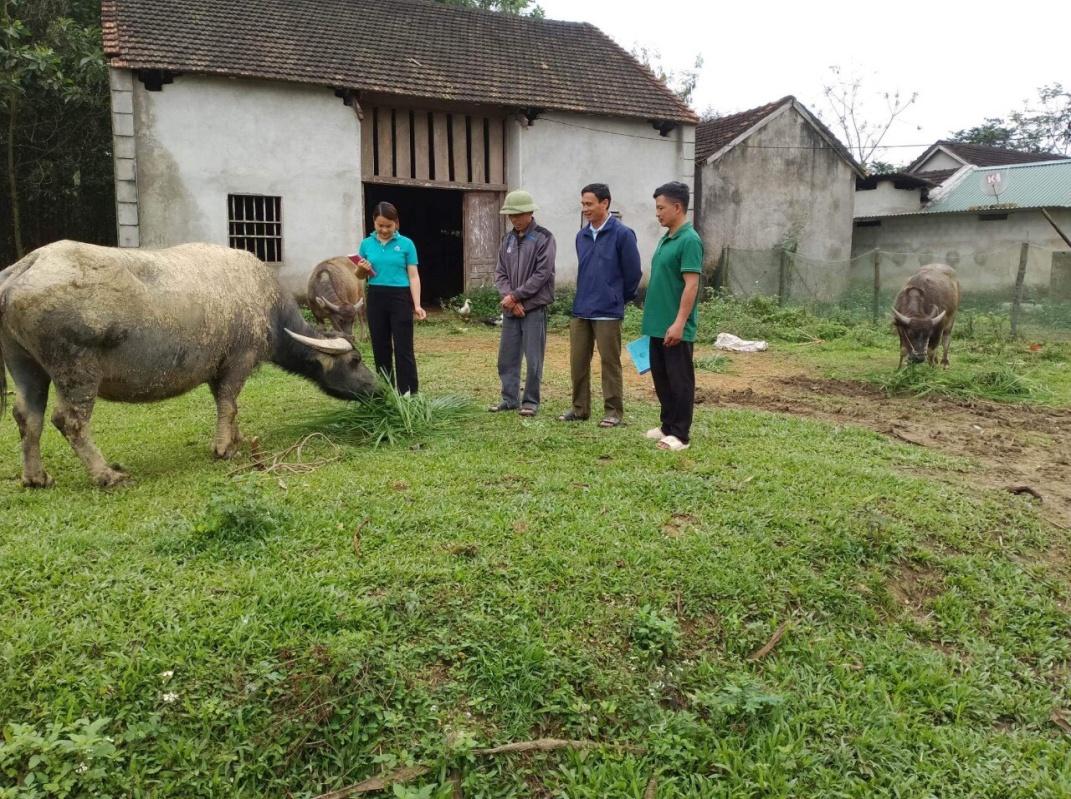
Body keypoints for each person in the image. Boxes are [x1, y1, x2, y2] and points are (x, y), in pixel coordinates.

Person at [558, 183, 642, 427]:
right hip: (581, 309)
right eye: (583, 204)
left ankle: (613, 412)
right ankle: (580, 408)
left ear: (605, 203)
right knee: (578, 362)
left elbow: (633, 273)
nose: (585, 209)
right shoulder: (581, 235)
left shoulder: (622, 234)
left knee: (610, 363)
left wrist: (618, 297)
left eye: (589, 204)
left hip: (608, 311)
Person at [640, 181, 704, 451]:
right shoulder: (667, 237)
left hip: (675, 325)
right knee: (662, 377)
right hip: (657, 323)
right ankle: (667, 425)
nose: (657, 213)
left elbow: (691, 284)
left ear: (677, 207)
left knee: (680, 380)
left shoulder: (689, 240)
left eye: (661, 208)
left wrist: (679, 323)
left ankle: (680, 434)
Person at [489, 190, 556, 417]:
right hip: (511, 307)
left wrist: (517, 297)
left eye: (518, 214)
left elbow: (542, 274)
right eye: (510, 216)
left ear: (529, 212)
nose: (514, 219)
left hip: (534, 307)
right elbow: (500, 273)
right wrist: (510, 297)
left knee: (533, 357)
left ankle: (530, 401)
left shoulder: (544, 238)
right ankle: (509, 399)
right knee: (507, 356)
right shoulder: (506, 239)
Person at [355, 202, 426, 395]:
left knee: (404, 349)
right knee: (380, 348)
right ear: (374, 223)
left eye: (389, 225)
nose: (384, 230)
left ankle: (409, 394)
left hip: (400, 298)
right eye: (380, 225)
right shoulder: (366, 244)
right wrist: (360, 269)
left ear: (396, 223)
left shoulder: (406, 244)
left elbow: (413, 276)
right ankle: (386, 392)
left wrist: (417, 304)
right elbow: (360, 275)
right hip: (376, 297)